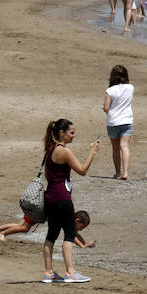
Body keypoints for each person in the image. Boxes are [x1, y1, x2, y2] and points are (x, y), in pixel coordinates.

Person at [39, 119, 101, 283]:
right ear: (62, 133)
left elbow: (47, 174)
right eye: (72, 132)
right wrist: (92, 152)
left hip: (50, 196)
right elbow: (82, 170)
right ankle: (70, 272)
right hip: (62, 197)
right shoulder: (63, 151)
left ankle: (48, 273)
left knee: (51, 235)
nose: (75, 135)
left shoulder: (50, 149)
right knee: (69, 234)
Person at [0, 209, 93, 248]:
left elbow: (74, 233)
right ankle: (2, 234)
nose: (82, 230)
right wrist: (82, 246)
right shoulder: (67, 219)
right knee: (24, 228)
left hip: (39, 210)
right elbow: (72, 235)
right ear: (77, 221)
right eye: (82, 227)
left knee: (21, 225)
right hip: (39, 212)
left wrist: (84, 244)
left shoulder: (69, 216)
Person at [103, 64, 135, 180]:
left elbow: (106, 108)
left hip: (113, 121)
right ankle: (125, 172)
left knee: (116, 148)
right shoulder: (130, 87)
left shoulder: (110, 90)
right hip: (127, 120)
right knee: (125, 146)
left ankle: (117, 172)